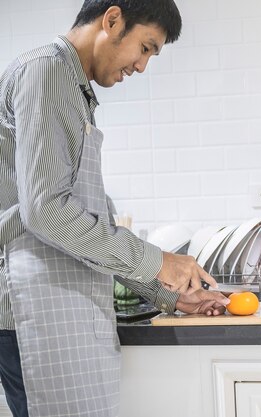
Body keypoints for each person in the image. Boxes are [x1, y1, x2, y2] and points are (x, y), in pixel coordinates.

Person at [0, 1, 231, 416]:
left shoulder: (73, 88)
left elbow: (92, 223)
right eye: (145, 47)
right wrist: (157, 261)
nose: (141, 66)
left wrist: (169, 295)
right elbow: (46, 211)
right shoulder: (47, 72)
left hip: (59, 302)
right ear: (112, 20)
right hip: (33, 307)